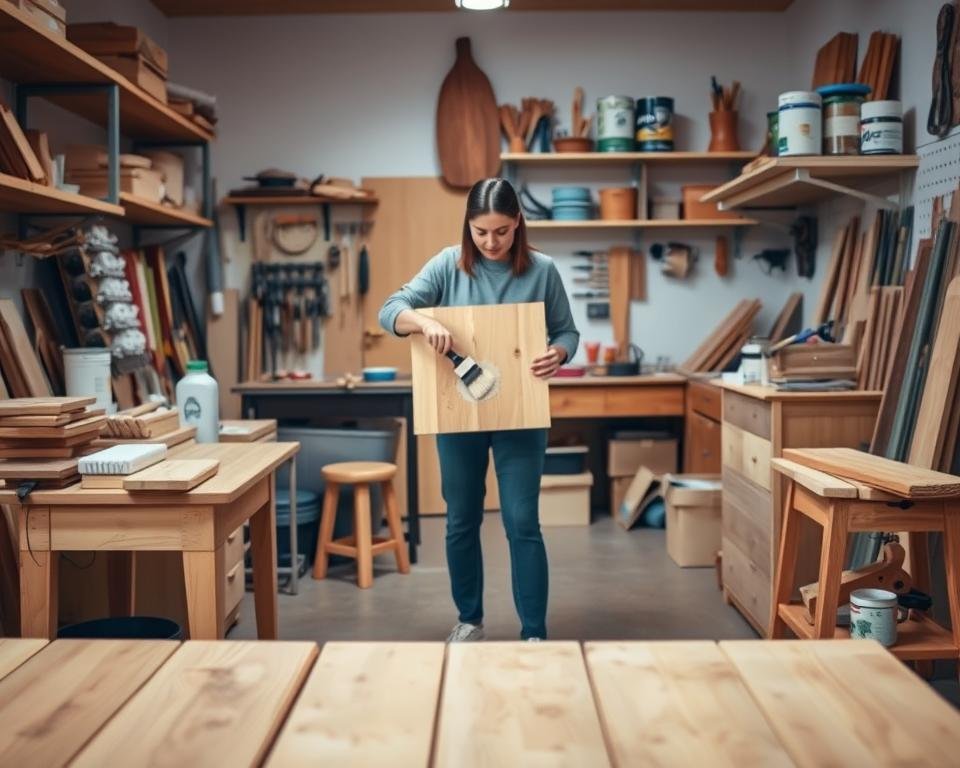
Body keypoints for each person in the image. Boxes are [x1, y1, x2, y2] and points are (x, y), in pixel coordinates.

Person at [379, 177, 579, 642]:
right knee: (461, 519)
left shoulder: (543, 270)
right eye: (481, 231)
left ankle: (534, 633)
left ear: (518, 224)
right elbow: (390, 309)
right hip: (458, 417)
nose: (491, 242)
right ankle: (469, 620)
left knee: (522, 521)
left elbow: (567, 332)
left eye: (502, 231)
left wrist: (560, 353)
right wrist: (422, 320)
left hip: (520, 416)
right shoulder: (448, 265)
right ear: (468, 226)